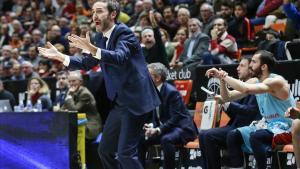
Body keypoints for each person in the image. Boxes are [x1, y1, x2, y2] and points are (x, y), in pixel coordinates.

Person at [38, 1, 161, 169]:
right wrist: (60, 56)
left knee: (125, 154)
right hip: (120, 103)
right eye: (93, 11)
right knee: (105, 151)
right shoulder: (100, 37)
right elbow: (87, 62)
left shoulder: (124, 33)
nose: (94, 15)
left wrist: (92, 48)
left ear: (113, 14)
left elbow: (119, 57)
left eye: (99, 11)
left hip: (136, 101)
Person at [205, 50, 296, 169]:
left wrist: (224, 76)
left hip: (286, 127)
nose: (250, 65)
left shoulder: (276, 81)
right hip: (268, 125)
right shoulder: (255, 80)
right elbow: (227, 97)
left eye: (253, 62)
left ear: (263, 66)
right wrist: (222, 80)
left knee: (256, 136)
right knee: (233, 135)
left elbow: (246, 89)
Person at [199, 57, 261, 169]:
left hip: (246, 127)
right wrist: (224, 105)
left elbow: (250, 112)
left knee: (208, 135)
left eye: (242, 66)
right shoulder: (241, 85)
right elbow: (230, 103)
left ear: (251, 70)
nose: (237, 68)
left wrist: (227, 104)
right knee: (203, 134)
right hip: (234, 125)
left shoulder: (256, 86)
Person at [138, 62, 198, 169]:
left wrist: (158, 130)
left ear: (157, 78)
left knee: (166, 139)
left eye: (148, 74)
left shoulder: (171, 92)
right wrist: (151, 126)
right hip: (167, 128)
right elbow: (156, 116)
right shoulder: (151, 91)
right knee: (141, 139)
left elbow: (176, 118)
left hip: (182, 127)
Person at [60, 71, 102, 169]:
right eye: (69, 81)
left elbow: (74, 110)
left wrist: (69, 97)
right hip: (79, 121)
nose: (71, 84)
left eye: (74, 81)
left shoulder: (85, 93)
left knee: (71, 134)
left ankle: (78, 163)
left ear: (81, 82)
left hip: (89, 123)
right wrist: (68, 100)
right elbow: (63, 109)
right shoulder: (71, 91)